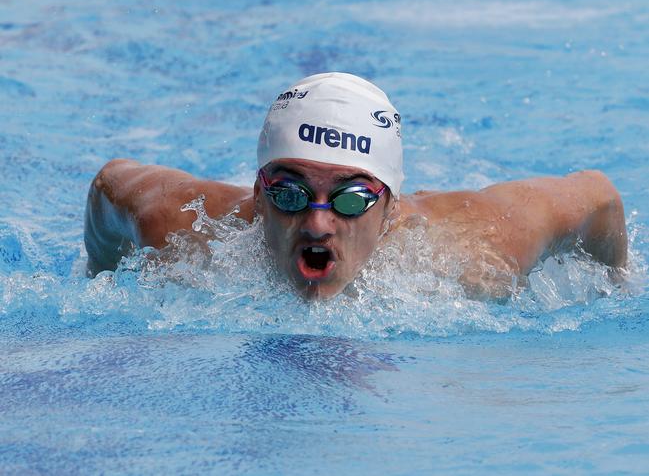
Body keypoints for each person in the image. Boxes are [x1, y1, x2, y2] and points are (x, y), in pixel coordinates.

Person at [84, 72, 628, 299]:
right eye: (290, 193)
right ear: (257, 192)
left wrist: (619, 285)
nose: (318, 222)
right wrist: (101, 275)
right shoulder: (182, 227)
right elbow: (111, 183)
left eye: (351, 198)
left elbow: (598, 196)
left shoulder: (478, 248)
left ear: (388, 208)